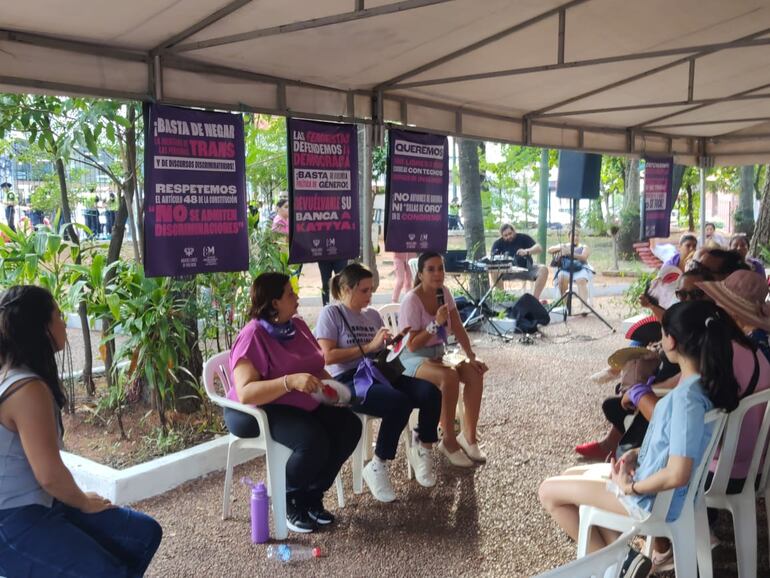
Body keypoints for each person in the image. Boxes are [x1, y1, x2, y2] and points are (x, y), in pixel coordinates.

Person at [539, 300, 747, 571]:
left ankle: (618, 564)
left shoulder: (687, 399)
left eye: (661, 334)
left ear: (671, 341)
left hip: (651, 500)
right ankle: (623, 560)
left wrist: (630, 487)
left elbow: (677, 473)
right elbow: (678, 446)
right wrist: (636, 455)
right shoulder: (704, 386)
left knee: (548, 492)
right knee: (568, 475)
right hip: (660, 491)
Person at [0, 285, 162, 576]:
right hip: (12, 520)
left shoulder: (25, 379)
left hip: (44, 505)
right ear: (42, 328)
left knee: (143, 534)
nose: (64, 323)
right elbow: (49, 475)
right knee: (108, 570)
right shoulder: (26, 389)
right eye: (59, 315)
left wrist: (77, 498)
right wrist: (83, 501)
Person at [226, 272, 361, 533]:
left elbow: (315, 365)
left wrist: (334, 392)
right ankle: (287, 498)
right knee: (313, 441)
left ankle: (312, 495)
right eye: (290, 293)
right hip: (258, 408)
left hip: (300, 400)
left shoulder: (296, 326)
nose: (297, 297)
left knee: (349, 427)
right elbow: (246, 393)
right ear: (274, 302)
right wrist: (289, 382)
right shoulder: (253, 334)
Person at [315, 264, 442, 501]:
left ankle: (423, 451)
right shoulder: (331, 313)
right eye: (364, 291)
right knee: (398, 402)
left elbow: (379, 353)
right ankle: (378, 465)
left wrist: (395, 342)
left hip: (380, 372)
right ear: (345, 289)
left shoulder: (372, 315)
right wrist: (370, 346)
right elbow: (327, 356)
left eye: (371, 290)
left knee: (430, 392)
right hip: (348, 380)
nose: (369, 296)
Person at [398, 252, 488, 468]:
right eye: (431, 269)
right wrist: (435, 323)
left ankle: (468, 437)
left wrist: (471, 356)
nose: (437, 273)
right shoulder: (411, 300)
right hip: (413, 358)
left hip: (439, 353)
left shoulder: (444, 292)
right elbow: (411, 345)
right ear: (420, 273)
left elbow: (457, 325)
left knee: (474, 372)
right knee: (449, 376)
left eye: (440, 268)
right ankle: (447, 441)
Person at [490, 223, 548, 299]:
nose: (509, 236)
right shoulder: (498, 243)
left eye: (510, 233)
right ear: (502, 236)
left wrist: (527, 251)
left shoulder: (523, 237)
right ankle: (502, 298)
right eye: (506, 235)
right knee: (493, 270)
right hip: (507, 271)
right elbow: (492, 259)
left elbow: (539, 248)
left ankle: (535, 299)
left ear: (514, 231)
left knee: (543, 269)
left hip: (526, 269)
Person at [547, 228, 593, 309]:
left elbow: (583, 257)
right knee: (561, 278)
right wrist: (561, 248)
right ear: (569, 237)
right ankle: (566, 305)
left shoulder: (584, 247)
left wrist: (569, 253)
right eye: (573, 235)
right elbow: (550, 250)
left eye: (577, 235)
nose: (575, 237)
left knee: (581, 280)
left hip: (580, 269)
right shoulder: (564, 246)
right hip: (566, 269)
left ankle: (584, 306)